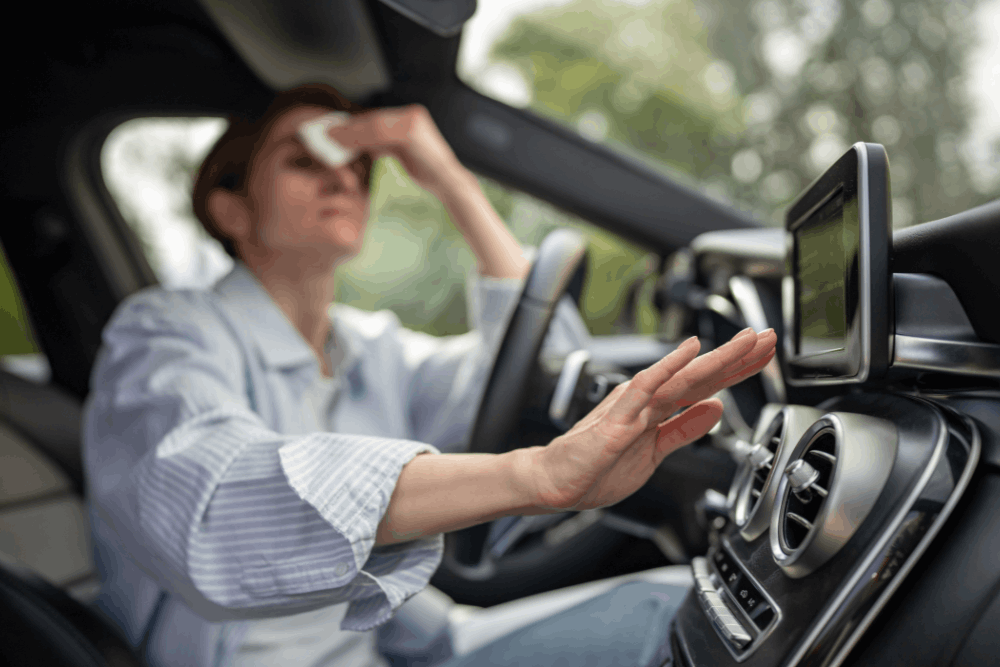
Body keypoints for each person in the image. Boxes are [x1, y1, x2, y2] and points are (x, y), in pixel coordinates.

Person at [82, 83, 777, 667]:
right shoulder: (164, 332)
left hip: (401, 646)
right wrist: (532, 477)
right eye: (303, 160)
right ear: (229, 207)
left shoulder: (372, 348)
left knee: (686, 611)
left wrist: (449, 178)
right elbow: (216, 506)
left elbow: (540, 374)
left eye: (358, 169)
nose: (342, 176)